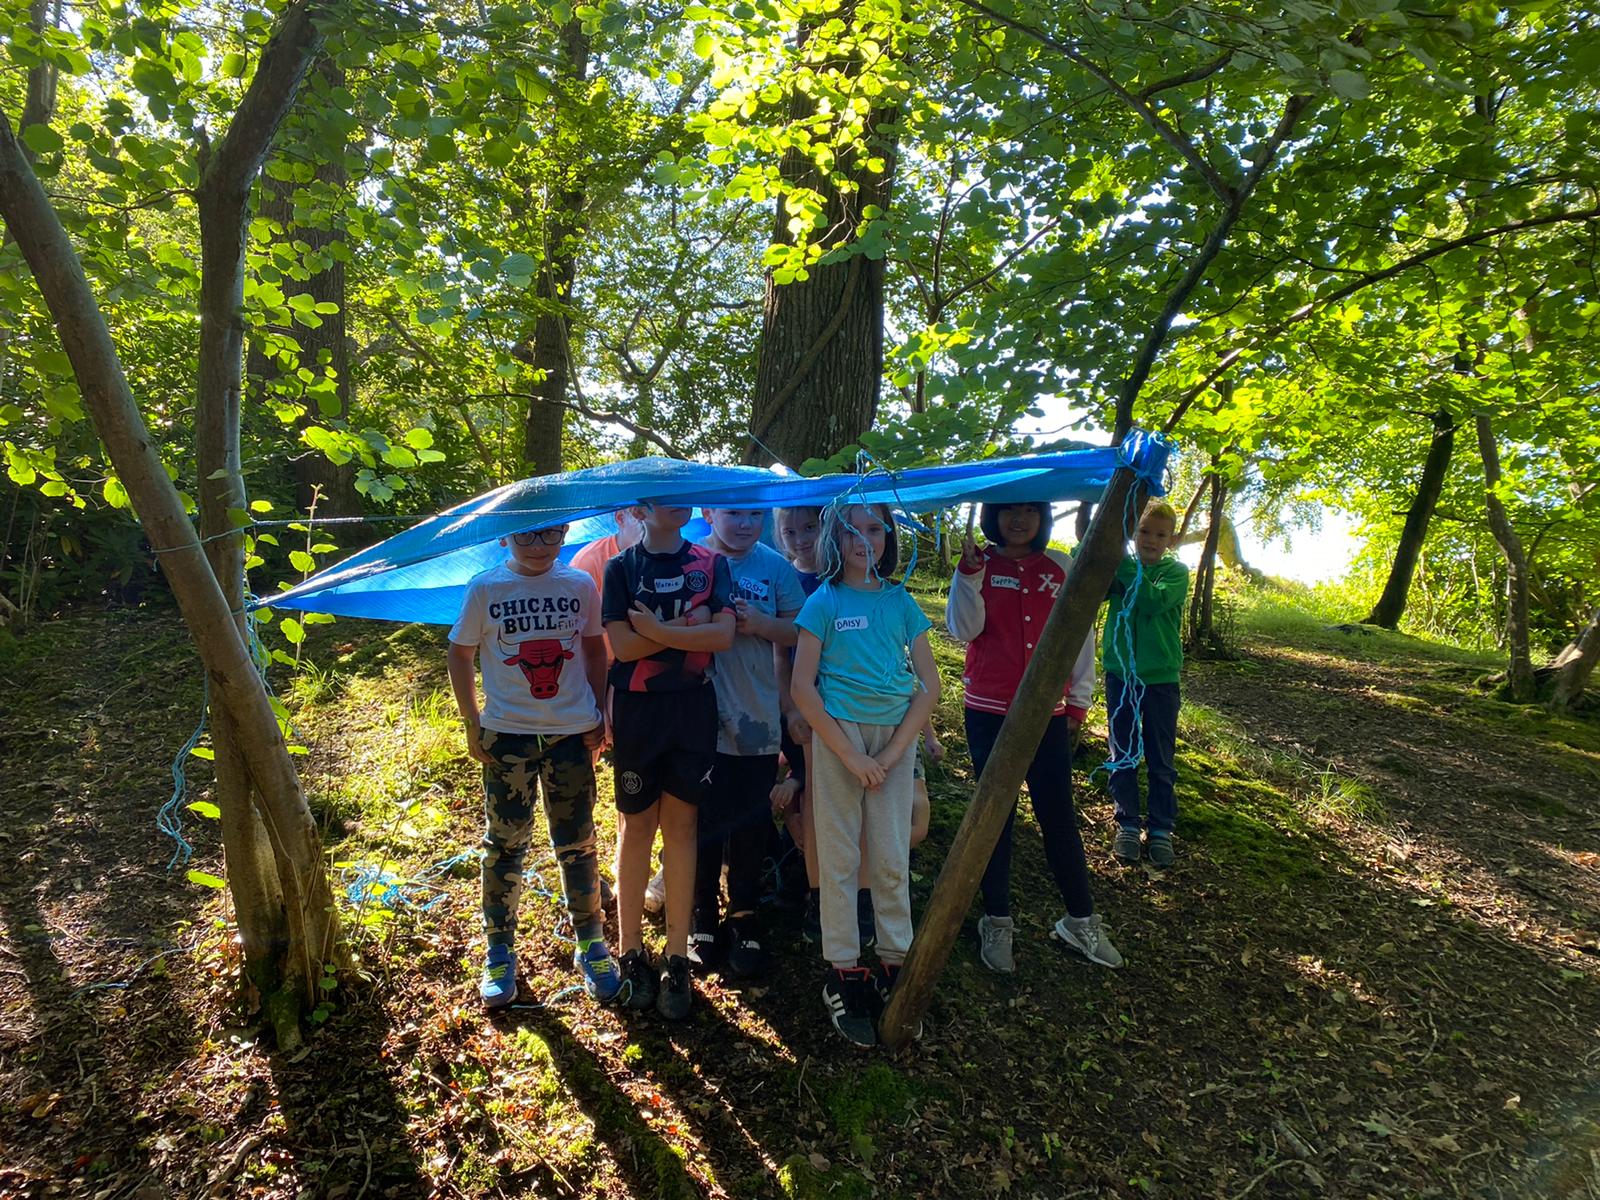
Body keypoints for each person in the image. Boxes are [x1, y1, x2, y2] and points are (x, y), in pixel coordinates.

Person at [447, 522, 620, 1009]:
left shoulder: (579, 585)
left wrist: (598, 711)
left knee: (578, 842)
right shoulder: (485, 588)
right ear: (505, 537)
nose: (539, 546)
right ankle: (499, 950)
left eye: (551, 535)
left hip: (571, 735)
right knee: (504, 844)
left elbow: (593, 648)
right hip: (508, 736)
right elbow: (459, 653)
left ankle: (591, 941)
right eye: (526, 536)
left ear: (565, 533)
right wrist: (472, 722)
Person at [946, 502, 1123, 973]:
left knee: (1058, 814)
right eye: (1009, 511)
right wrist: (968, 575)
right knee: (995, 817)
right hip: (988, 711)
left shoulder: (1060, 566)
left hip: (1048, 713)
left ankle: (1080, 920)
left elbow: (1079, 635)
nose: (1019, 520)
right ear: (994, 516)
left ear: (1043, 517)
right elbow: (962, 629)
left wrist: (1079, 701)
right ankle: (996, 920)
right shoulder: (979, 564)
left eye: (1030, 511)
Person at [792, 502, 940, 1047]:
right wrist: (851, 756)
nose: (863, 539)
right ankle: (843, 969)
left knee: (891, 853)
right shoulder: (823, 601)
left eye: (874, 528)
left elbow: (930, 686)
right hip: (841, 738)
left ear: (888, 536)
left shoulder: (901, 602)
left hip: (894, 740)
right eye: (850, 530)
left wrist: (897, 750)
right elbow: (802, 688)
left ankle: (896, 961)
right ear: (832, 539)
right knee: (839, 855)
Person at [602, 502, 735, 1019]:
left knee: (682, 829)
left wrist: (656, 631)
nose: (677, 502)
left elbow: (721, 637)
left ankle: (676, 957)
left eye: (683, 492)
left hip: (692, 710)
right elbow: (621, 647)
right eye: (663, 495)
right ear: (640, 508)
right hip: (638, 713)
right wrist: (686, 627)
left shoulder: (711, 563)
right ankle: (631, 952)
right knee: (636, 828)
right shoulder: (621, 567)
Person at [690, 507, 806, 977]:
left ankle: (743, 911)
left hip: (757, 718)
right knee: (702, 818)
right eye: (733, 513)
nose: (744, 523)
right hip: (698, 716)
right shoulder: (691, 559)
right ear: (708, 512)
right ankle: (702, 911)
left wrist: (760, 623)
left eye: (755, 514)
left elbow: (800, 628)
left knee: (751, 819)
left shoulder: (774, 567)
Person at [1103, 497, 1188, 868]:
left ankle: (1161, 829)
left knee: (1160, 755)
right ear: (1132, 533)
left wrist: (1122, 564)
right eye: (1144, 531)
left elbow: (1152, 602)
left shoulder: (1176, 573)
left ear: (1171, 540)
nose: (1151, 540)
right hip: (1121, 675)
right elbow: (1088, 574)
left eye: (1160, 535)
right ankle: (1126, 822)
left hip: (1160, 680)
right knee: (1122, 750)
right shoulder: (1120, 568)